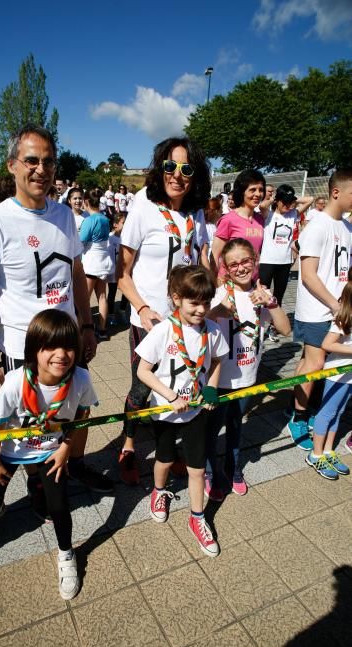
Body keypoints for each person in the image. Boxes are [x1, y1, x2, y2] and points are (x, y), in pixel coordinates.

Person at [0, 124, 111, 494]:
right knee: (23, 422)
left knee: (76, 406)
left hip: (68, 340)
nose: (41, 169)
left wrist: (87, 324)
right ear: (13, 165)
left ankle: (71, 465)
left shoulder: (63, 215)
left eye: (48, 161)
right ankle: (7, 483)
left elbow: (76, 271)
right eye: (31, 160)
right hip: (23, 349)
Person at [0, 309, 97, 599]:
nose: (61, 355)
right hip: (13, 450)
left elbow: (83, 412)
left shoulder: (80, 379)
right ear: (33, 350)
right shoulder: (15, 382)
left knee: (60, 506)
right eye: (50, 346)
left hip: (52, 450)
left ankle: (66, 554)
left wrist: (66, 447)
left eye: (68, 346)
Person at [116, 136, 211, 485]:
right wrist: (141, 308)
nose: (177, 175)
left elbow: (201, 261)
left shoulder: (196, 211)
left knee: (179, 384)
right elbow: (122, 274)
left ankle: (168, 450)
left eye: (186, 169)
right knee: (142, 388)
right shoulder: (143, 204)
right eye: (170, 166)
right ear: (160, 168)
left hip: (183, 321)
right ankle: (127, 446)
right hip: (150, 319)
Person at [136, 266, 228, 556]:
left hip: (196, 411)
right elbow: (142, 371)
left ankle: (197, 517)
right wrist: (170, 396)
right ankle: (159, 492)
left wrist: (211, 388)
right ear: (176, 299)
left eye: (206, 303)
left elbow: (215, 362)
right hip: (165, 411)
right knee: (163, 459)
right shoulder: (164, 331)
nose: (201, 309)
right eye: (194, 303)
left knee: (197, 468)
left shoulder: (212, 331)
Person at [206, 239, 290, 499]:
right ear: (225, 268)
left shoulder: (261, 295)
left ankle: (233, 469)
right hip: (218, 379)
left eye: (245, 261)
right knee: (211, 430)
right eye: (234, 264)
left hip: (247, 376)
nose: (240, 268)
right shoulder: (218, 294)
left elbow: (286, 330)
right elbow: (196, 326)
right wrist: (217, 311)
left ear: (255, 260)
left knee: (236, 426)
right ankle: (210, 471)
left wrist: (272, 303)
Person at [289, 169, 352, 450]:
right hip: (317, 309)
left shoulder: (347, 228)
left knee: (314, 363)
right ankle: (298, 417)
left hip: (338, 310)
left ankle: (308, 408)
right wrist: (334, 304)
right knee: (314, 364)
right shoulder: (317, 225)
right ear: (336, 192)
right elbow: (308, 275)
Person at [306, 273, 352, 480]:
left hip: (349, 375)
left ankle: (327, 450)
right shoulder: (344, 315)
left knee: (339, 412)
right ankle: (315, 454)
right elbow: (327, 344)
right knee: (327, 412)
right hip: (337, 373)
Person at [259, 184, 313, 342]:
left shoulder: (293, 214)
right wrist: (276, 198)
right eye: (284, 202)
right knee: (262, 295)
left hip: (284, 263)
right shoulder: (268, 214)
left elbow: (310, 200)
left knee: (278, 297)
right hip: (267, 262)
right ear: (277, 201)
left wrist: (292, 199)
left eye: (290, 203)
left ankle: (273, 328)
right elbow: (262, 205)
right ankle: (258, 326)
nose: (287, 206)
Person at [210, 169, 267, 281]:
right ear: (242, 192)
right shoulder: (228, 220)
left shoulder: (260, 219)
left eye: (261, 190)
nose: (257, 194)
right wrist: (216, 285)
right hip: (229, 282)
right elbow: (215, 256)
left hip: (251, 282)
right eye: (252, 190)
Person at [80, 188, 114, 340]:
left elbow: (81, 241)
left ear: (86, 202)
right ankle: (102, 329)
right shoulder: (105, 219)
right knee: (102, 297)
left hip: (91, 262)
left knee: (84, 298)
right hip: (104, 260)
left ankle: (83, 327)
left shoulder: (89, 220)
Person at [107, 212, 128, 325]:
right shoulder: (110, 238)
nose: (126, 226)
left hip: (125, 272)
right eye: (123, 223)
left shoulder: (127, 238)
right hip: (113, 272)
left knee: (126, 291)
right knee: (112, 293)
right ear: (115, 224)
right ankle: (110, 315)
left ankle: (122, 310)